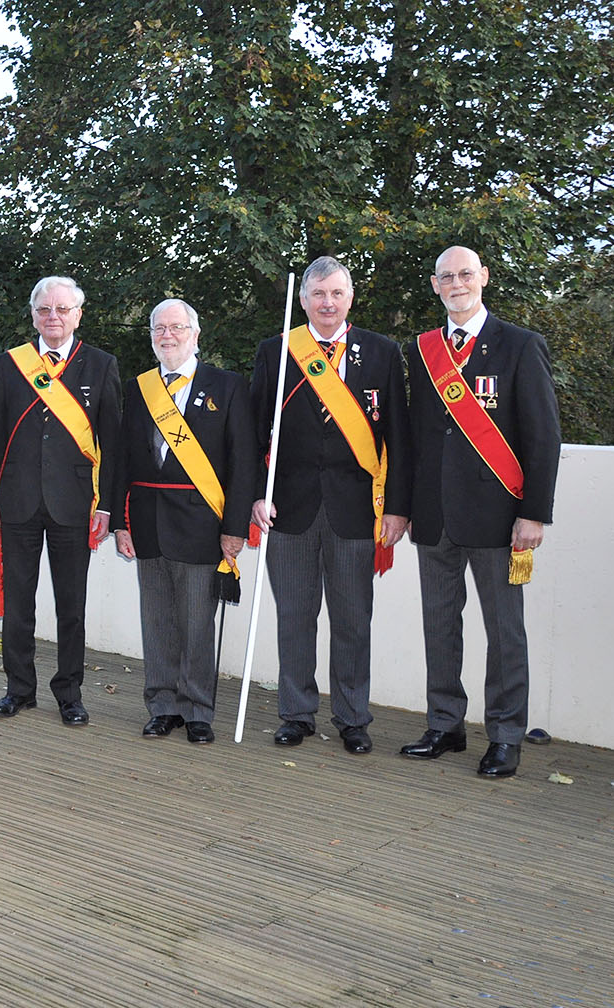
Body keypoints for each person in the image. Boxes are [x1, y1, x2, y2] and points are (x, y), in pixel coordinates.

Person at [400, 245, 561, 779]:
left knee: (504, 632)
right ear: (435, 285)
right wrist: (404, 508)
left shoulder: (519, 345)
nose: (457, 283)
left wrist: (534, 513)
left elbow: (543, 438)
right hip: (436, 517)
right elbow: (413, 439)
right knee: (439, 626)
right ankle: (444, 725)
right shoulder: (423, 351)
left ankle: (506, 735)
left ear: (484, 278)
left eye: (466, 274)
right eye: (447, 276)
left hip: (500, 518)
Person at [249, 256, 410, 755]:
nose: (327, 303)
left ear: (350, 298)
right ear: (303, 301)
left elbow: (399, 437)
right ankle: (296, 713)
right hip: (289, 508)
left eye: (336, 294)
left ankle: (352, 717)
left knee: (352, 618)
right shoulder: (276, 351)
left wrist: (398, 508)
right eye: (318, 295)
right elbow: (254, 434)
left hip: (357, 509)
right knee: (294, 616)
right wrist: (257, 492)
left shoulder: (382, 352)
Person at [111, 298, 256, 744]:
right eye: (158, 329)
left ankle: (197, 710)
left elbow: (243, 462)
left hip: (201, 522)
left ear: (196, 333)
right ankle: (162, 704)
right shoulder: (138, 389)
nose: (167, 336)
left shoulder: (227, 386)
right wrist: (120, 521)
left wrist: (234, 528)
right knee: (156, 620)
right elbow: (120, 461)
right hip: (148, 521)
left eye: (176, 327)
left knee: (196, 621)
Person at [0, 276, 122, 724]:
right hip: (18, 499)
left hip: (75, 503)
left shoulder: (101, 365)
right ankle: (18, 689)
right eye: (44, 310)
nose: (53, 317)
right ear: (34, 315)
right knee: (18, 604)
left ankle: (70, 694)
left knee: (71, 607)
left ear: (79, 314)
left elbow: (113, 443)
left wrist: (107, 506)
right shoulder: (10, 363)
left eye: (62, 309)